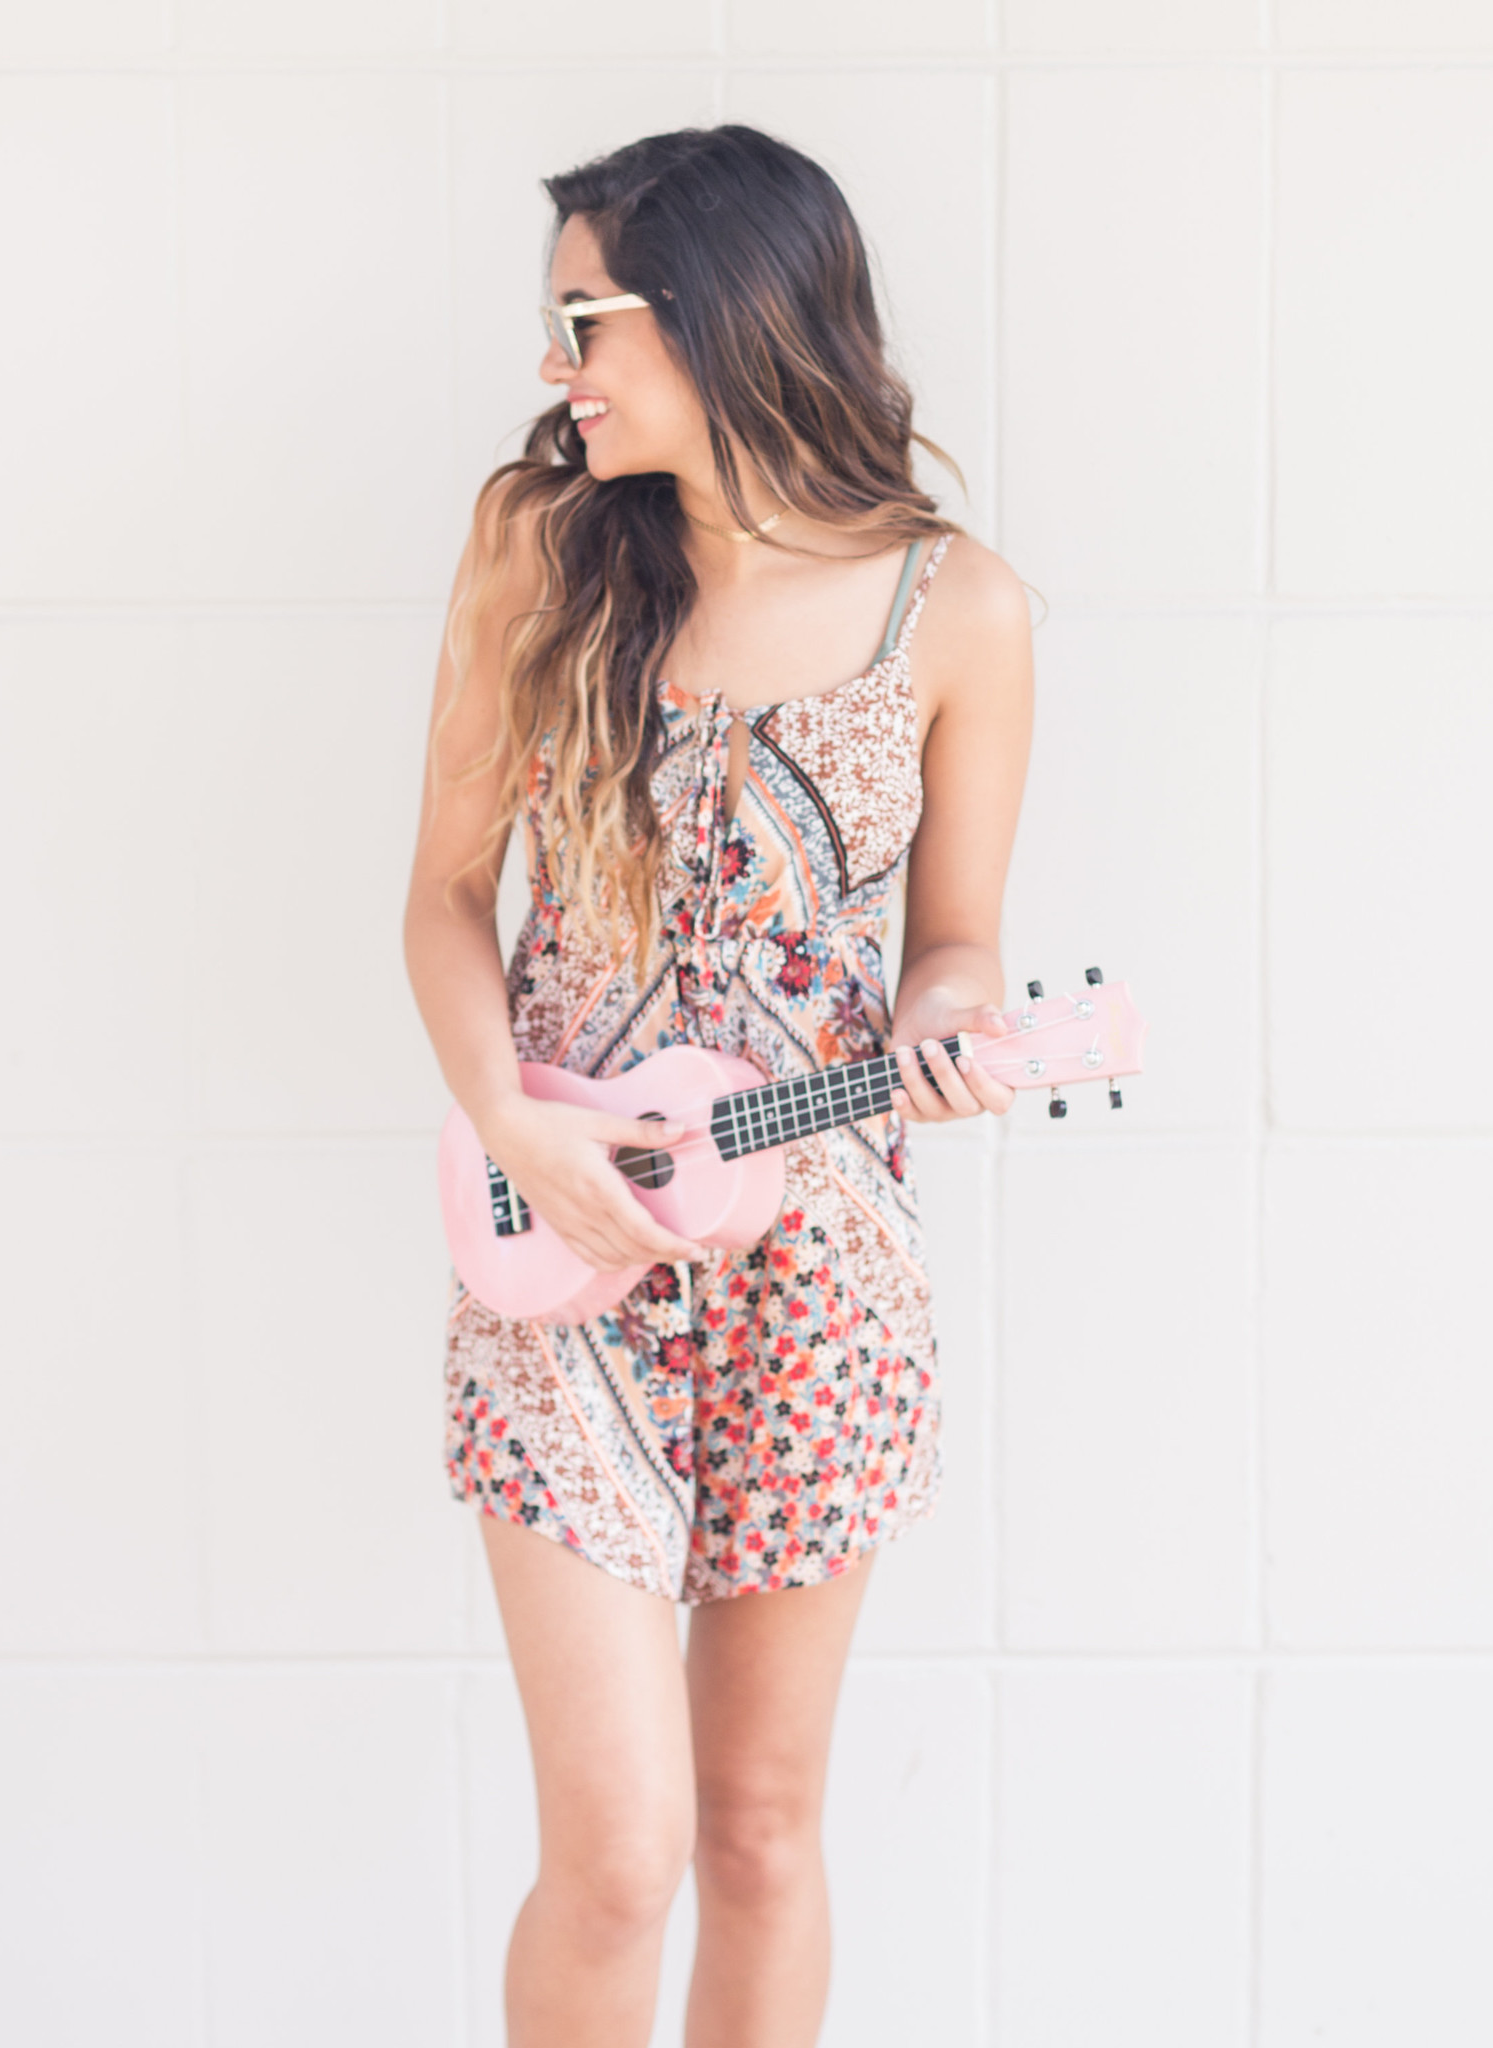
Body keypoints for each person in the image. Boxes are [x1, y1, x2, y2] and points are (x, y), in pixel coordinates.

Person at [403, 126, 1033, 2048]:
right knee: (619, 1851)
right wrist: (514, 1126)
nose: (554, 366)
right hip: (559, 1257)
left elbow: (957, 938)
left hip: (820, 1276)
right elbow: (440, 897)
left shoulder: (962, 611)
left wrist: (955, 1014)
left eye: (585, 318)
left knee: (760, 1832)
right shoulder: (541, 545)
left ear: (726, 316)